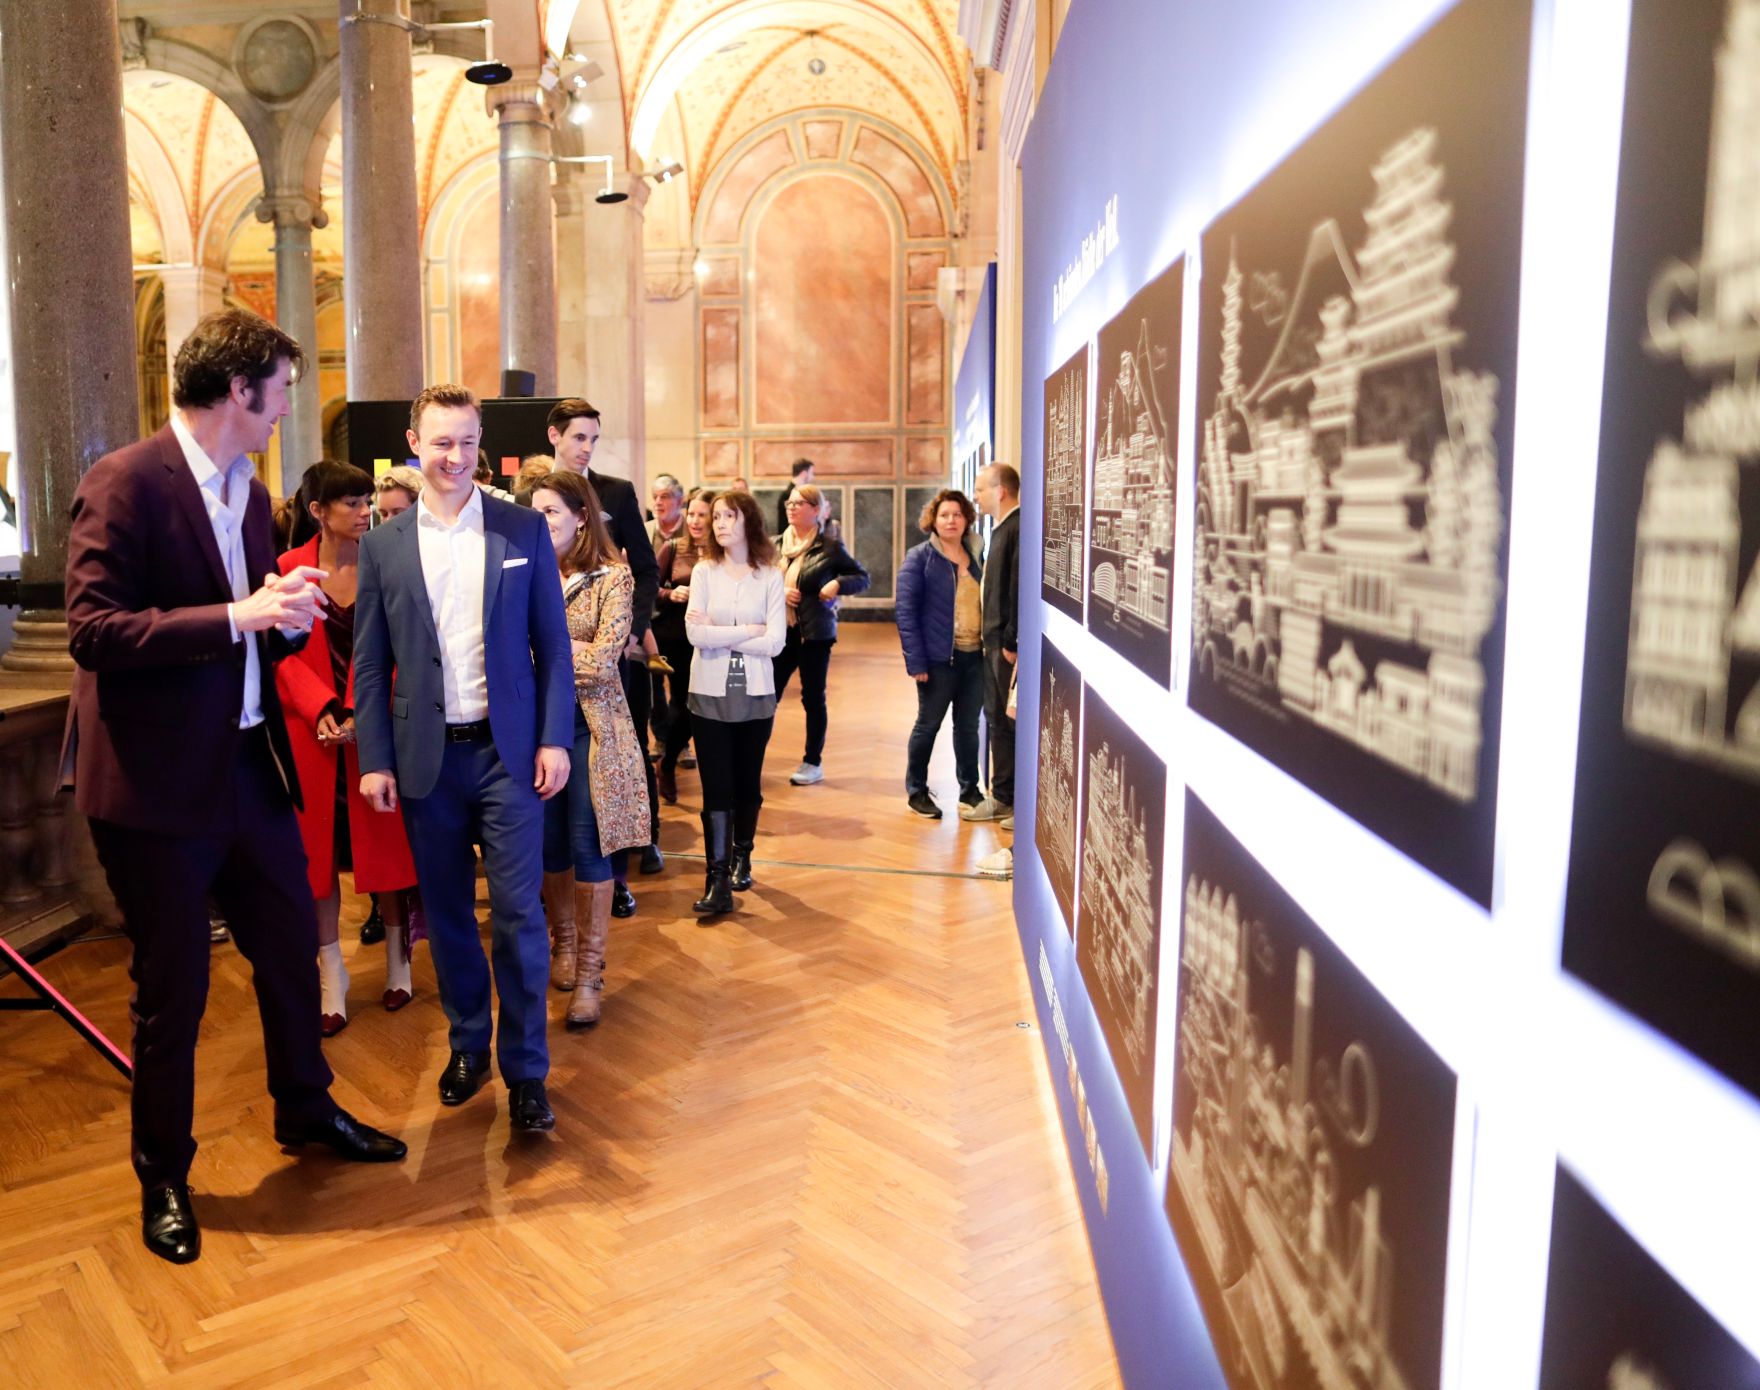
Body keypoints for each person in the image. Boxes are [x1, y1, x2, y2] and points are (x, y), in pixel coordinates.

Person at [64, 307, 406, 1266]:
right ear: (238, 391)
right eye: (281, 392)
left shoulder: (249, 493)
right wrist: (236, 614)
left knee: (291, 950)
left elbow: (254, 618)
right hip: (154, 787)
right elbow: (93, 633)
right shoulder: (123, 481)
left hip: (250, 769)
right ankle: (164, 1175)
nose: (286, 411)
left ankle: (304, 1108)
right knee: (170, 990)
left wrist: (286, 617)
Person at [353, 383, 574, 1135]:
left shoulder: (521, 530)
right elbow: (370, 662)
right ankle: (468, 1045)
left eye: (468, 442)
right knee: (446, 917)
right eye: (441, 442)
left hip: (509, 757)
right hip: (424, 764)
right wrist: (374, 757)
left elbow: (554, 647)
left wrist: (553, 738)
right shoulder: (382, 545)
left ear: (482, 444)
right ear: (414, 444)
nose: (455, 456)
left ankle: (528, 1073)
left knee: (518, 916)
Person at [276, 461, 422, 1034]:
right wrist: (321, 707)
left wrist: (368, 711)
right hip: (313, 736)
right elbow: (281, 653)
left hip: (378, 730)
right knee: (318, 862)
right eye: (354, 503)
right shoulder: (289, 569)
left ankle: (397, 959)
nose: (366, 512)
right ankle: (330, 976)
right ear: (319, 512)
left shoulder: (387, 558)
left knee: (385, 851)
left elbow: (409, 646)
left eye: (368, 502)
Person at [527, 471, 652, 1026]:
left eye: (551, 511)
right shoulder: (525, 572)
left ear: (582, 516)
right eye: (535, 512)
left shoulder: (613, 577)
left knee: (588, 839)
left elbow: (605, 661)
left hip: (592, 728)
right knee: (549, 842)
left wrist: (543, 652)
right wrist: (561, 651)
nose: (541, 522)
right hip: (533, 729)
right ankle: (565, 946)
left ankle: (591, 974)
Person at [546, 398, 663, 900]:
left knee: (618, 759)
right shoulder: (526, 497)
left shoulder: (616, 491)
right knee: (559, 815)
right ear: (554, 435)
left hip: (610, 658)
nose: (587, 448)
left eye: (594, 439)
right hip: (551, 690)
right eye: (579, 437)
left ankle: (630, 859)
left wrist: (630, 632)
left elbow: (644, 570)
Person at [685, 490, 786, 916]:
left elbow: (776, 642)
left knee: (747, 784)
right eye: (717, 517)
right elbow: (695, 636)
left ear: (749, 522)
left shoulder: (770, 575)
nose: (720, 524)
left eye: (730, 516)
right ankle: (717, 878)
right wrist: (748, 628)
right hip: (707, 695)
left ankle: (743, 852)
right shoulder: (704, 572)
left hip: (756, 695)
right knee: (715, 787)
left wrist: (720, 629)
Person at [771, 482, 870, 786]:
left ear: (816, 510)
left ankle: (813, 762)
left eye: (799, 503)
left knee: (813, 699)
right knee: (765, 696)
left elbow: (862, 577)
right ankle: (750, 755)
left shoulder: (830, 546)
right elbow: (758, 582)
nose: (791, 507)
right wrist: (779, 592)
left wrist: (837, 585)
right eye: (789, 502)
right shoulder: (774, 545)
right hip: (778, 632)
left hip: (814, 634)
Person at [896, 489, 985, 820]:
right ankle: (916, 791)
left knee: (967, 727)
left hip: (974, 657)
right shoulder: (919, 557)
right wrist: (916, 661)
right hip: (937, 661)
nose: (951, 520)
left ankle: (970, 791)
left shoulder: (976, 555)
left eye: (958, 515)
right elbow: (906, 612)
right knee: (928, 724)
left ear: (966, 520)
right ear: (933, 520)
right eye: (945, 514)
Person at [963, 463, 1020, 826]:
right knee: (996, 720)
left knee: (1010, 723)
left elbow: (1017, 588)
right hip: (993, 643)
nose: (976, 495)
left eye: (981, 488)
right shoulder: (1000, 529)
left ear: (1000, 491)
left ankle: (1014, 799)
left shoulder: (1016, 528)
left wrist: (1011, 639)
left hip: (1004, 645)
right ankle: (1001, 796)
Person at [655, 489, 711, 803]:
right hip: (677, 637)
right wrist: (670, 594)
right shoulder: (673, 547)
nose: (695, 521)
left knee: (703, 704)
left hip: (713, 639)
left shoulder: (722, 553)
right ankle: (667, 765)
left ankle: (670, 756)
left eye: (702, 515)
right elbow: (649, 587)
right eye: (691, 514)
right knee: (683, 700)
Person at [645, 474, 687, 747]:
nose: (659, 502)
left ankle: (679, 742)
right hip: (652, 620)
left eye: (665, 497)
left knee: (682, 684)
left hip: (682, 623)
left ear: (679, 500)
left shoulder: (693, 532)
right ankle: (662, 738)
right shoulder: (646, 530)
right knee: (654, 685)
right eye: (656, 497)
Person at [774, 457, 815, 534]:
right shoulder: (788, 495)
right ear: (804, 474)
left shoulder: (789, 493)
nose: (813, 477)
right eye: (811, 473)